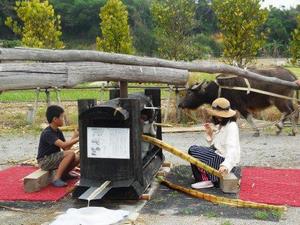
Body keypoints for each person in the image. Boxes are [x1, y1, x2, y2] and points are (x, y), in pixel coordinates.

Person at [188, 97, 240, 189]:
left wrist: (225, 165)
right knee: (193, 149)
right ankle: (203, 176)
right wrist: (210, 133)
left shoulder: (232, 126)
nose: (218, 117)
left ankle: (208, 180)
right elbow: (216, 145)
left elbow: (232, 149)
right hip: (218, 154)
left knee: (194, 152)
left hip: (224, 160)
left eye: (220, 115)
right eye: (217, 114)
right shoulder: (222, 125)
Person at [37, 105, 80, 187]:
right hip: (44, 161)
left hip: (53, 158)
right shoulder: (48, 133)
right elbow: (64, 145)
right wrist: (79, 138)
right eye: (62, 117)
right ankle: (56, 178)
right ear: (55, 119)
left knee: (77, 157)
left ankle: (64, 174)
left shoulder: (58, 131)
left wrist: (75, 136)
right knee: (71, 153)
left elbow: (65, 148)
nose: (63, 119)